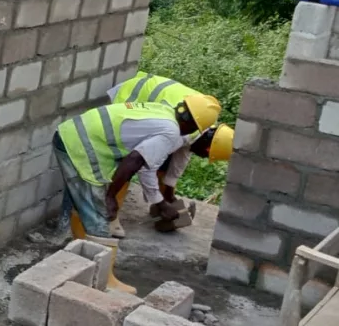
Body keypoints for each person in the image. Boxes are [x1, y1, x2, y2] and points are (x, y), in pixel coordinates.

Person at [52, 94, 222, 294]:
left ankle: (79, 254)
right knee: (99, 215)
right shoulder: (170, 132)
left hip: (70, 134)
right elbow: (133, 161)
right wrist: (110, 197)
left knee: (83, 204)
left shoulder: (165, 111)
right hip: (81, 145)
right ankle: (105, 281)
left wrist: (158, 201)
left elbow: (144, 165)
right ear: (195, 127)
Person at [105, 72, 235, 237]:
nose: (202, 157)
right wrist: (160, 202)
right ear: (208, 147)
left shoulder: (200, 123)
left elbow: (179, 160)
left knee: (162, 160)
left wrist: (169, 197)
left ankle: (157, 208)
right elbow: (146, 167)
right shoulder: (181, 131)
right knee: (126, 163)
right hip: (130, 97)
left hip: (151, 99)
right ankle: (109, 216)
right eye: (205, 155)